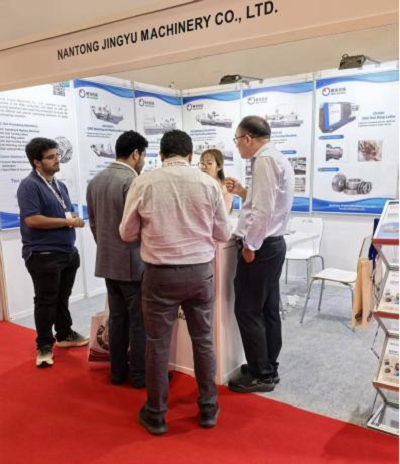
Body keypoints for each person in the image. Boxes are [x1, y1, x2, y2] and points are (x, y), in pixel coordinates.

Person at [120, 129, 231, 436]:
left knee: (157, 345)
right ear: (191, 155)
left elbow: (126, 232)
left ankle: (156, 414)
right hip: (200, 273)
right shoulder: (209, 184)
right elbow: (223, 233)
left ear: (161, 155)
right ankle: (208, 409)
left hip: (160, 275)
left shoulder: (144, 182)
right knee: (204, 341)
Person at [225, 116, 294, 394]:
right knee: (267, 309)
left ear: (247, 138)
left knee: (248, 309)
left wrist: (250, 245)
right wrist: (243, 192)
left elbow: (263, 210)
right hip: (273, 245)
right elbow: (265, 202)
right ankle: (267, 365)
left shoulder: (264, 160)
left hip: (261, 247)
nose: (237, 146)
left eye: (237, 140)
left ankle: (261, 374)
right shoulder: (276, 157)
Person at [17, 137, 88, 368]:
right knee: (46, 300)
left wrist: (72, 220)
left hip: (67, 252)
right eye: (51, 157)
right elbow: (33, 220)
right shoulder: (29, 185)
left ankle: (65, 334)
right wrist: (67, 222)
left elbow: (65, 213)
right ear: (37, 162)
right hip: (44, 254)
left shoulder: (60, 185)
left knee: (61, 298)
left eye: (57, 155)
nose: (57, 160)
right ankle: (44, 346)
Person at [86, 131, 148, 388]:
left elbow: (93, 224)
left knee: (117, 317)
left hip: (108, 261)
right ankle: (140, 375)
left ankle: (117, 371)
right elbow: (141, 225)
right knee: (139, 321)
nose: (143, 161)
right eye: (144, 156)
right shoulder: (133, 182)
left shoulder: (95, 181)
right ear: (135, 154)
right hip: (133, 262)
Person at [199, 148, 234, 213]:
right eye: (202, 163)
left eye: (209, 163)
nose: (203, 167)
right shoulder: (198, 183)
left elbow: (224, 214)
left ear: (219, 166)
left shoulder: (226, 187)